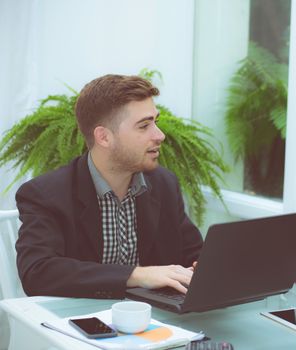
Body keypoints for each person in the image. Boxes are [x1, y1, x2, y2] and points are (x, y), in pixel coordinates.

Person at [16, 74, 203, 299]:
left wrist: (205, 268)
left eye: (156, 122)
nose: (160, 135)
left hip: (154, 323)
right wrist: (136, 275)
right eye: (144, 126)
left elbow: (193, 253)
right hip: (77, 325)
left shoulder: (164, 184)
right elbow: (37, 273)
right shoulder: (45, 195)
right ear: (103, 137)